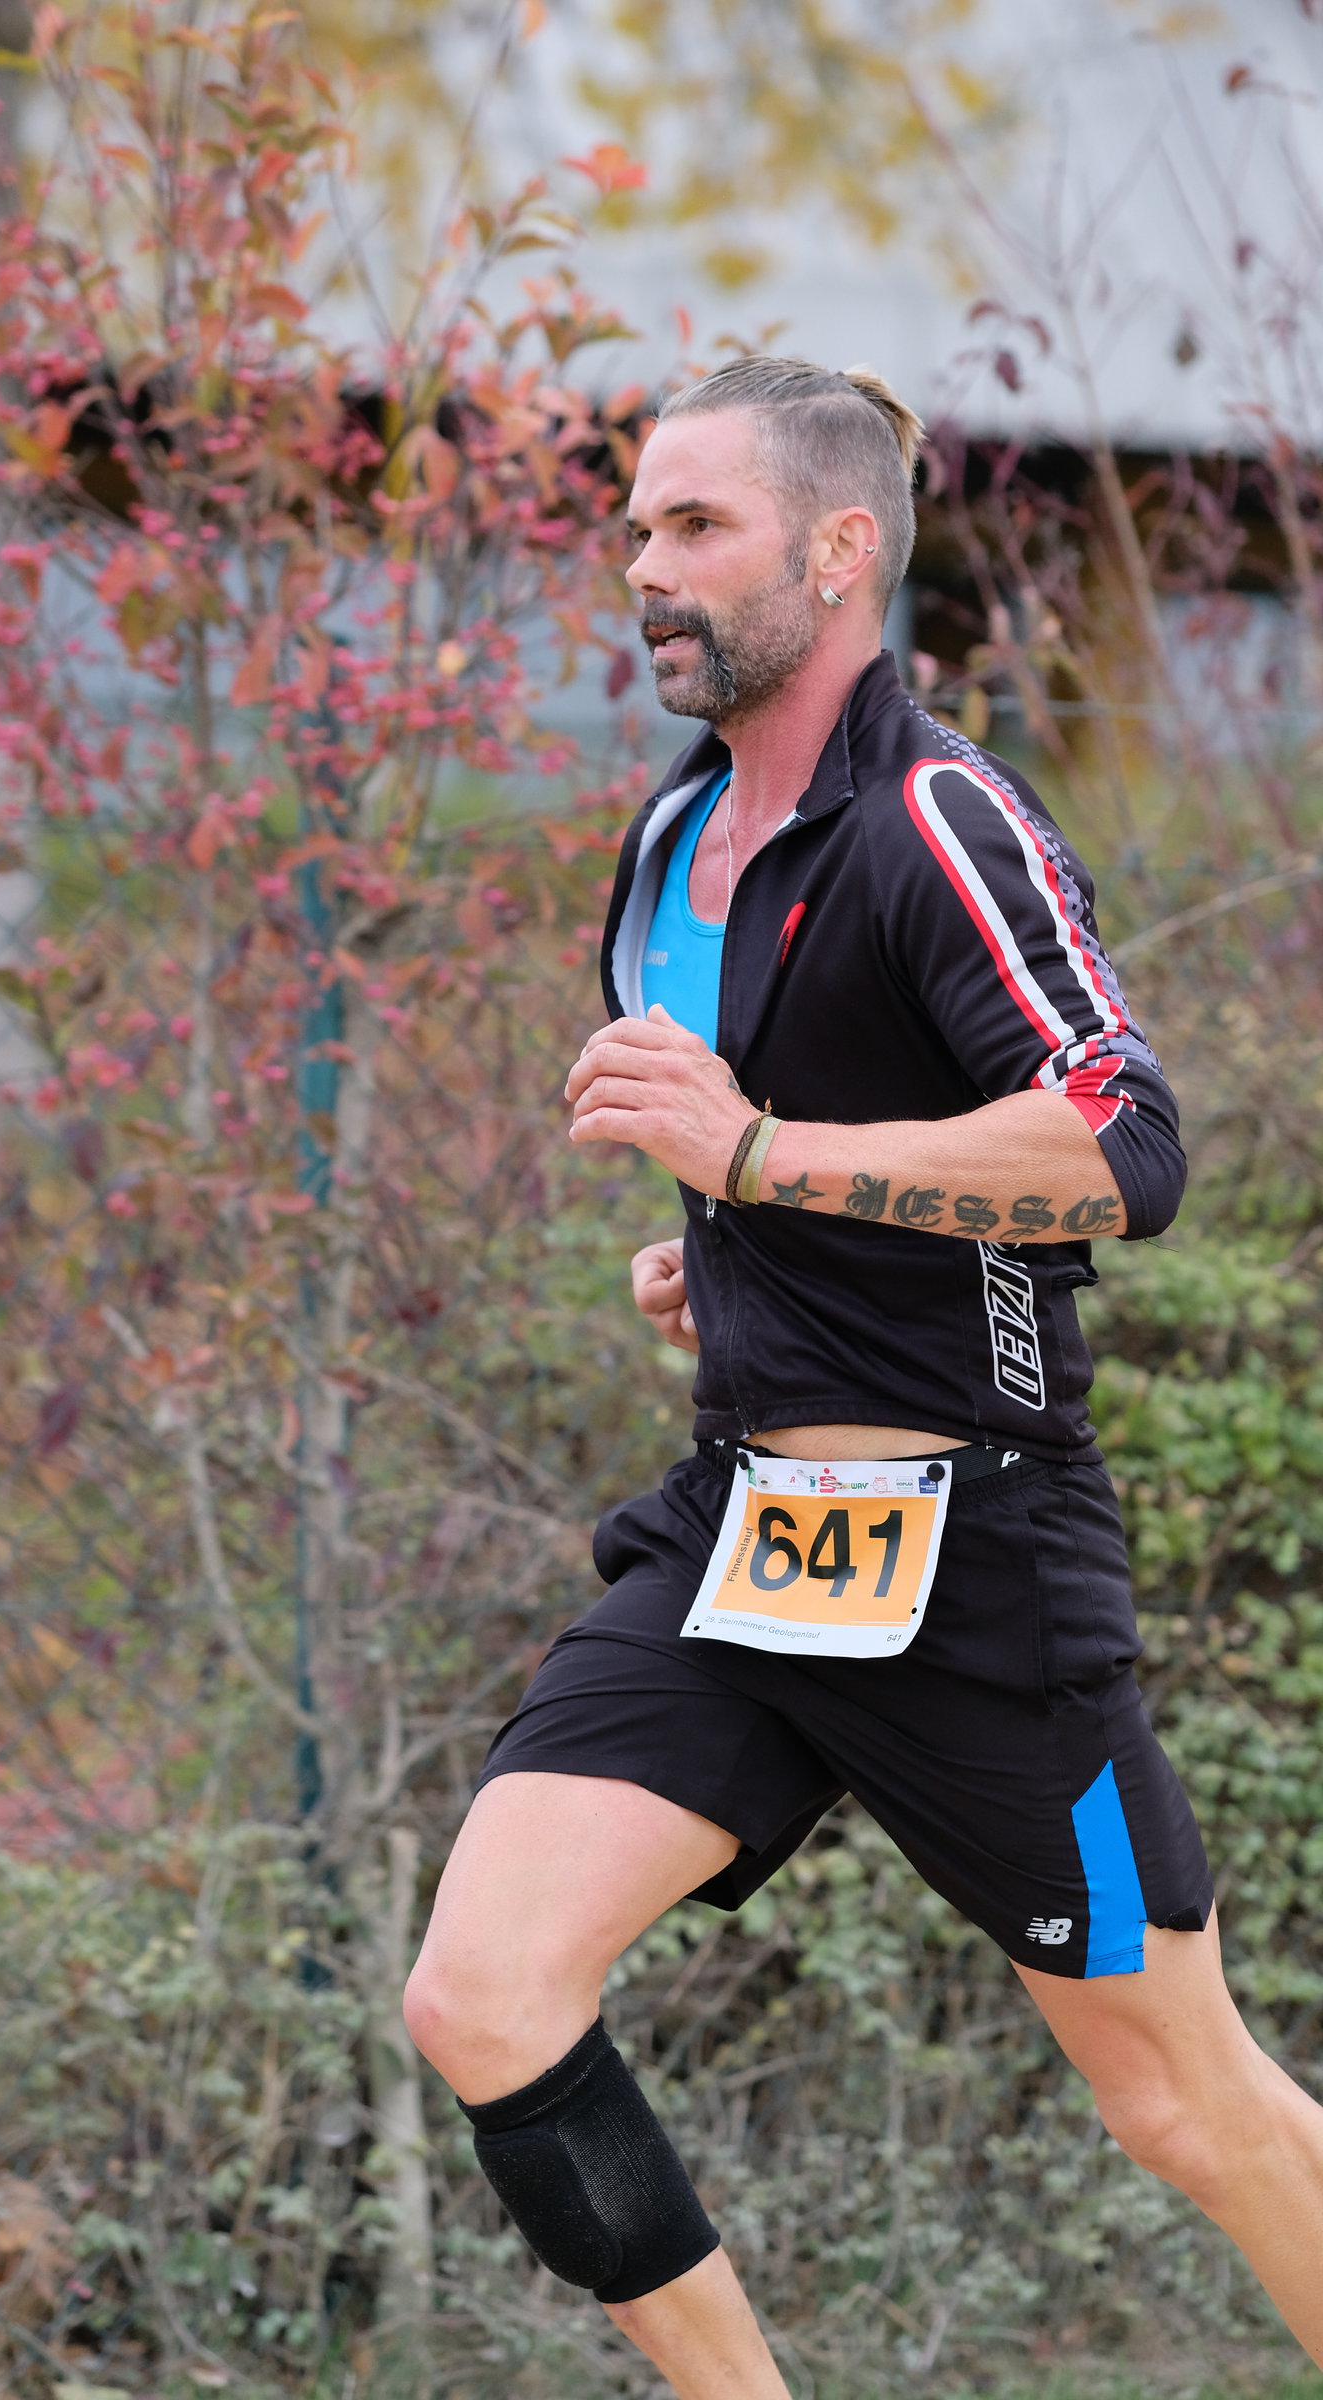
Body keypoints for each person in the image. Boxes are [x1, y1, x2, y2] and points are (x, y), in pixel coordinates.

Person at [402, 356, 1323, 2398]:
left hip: (975, 1563)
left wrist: (754, 1164)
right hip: (748, 1537)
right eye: (634, 530)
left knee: (1184, 2105)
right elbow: (808, 1160)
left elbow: (1119, 1146)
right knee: (484, 1996)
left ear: (837, 552)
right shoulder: (669, 837)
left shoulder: (936, 816)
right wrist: (736, 1265)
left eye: (694, 527)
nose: (644, 570)